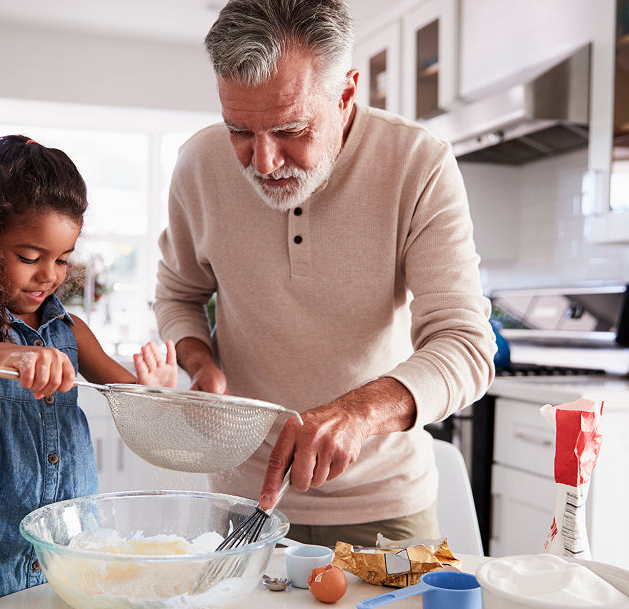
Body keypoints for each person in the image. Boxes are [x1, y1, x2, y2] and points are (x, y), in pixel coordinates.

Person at [154, 0, 496, 548]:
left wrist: (359, 412)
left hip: (384, 503)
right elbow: (177, 296)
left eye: (290, 129)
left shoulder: (419, 164)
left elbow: (465, 344)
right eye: (239, 130)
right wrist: (200, 364)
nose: (263, 162)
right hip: (247, 499)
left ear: (345, 95)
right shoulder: (198, 164)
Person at [0, 135, 177, 609]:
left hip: (63, 542)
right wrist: (10, 357)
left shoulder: (70, 328)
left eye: (62, 259)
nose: (50, 275)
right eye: (29, 258)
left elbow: (132, 400)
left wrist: (156, 390)